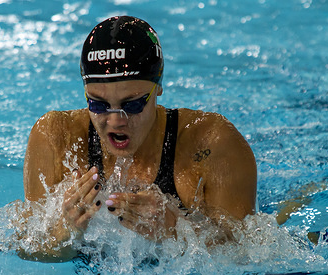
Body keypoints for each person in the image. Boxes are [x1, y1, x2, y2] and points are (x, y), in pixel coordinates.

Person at [22, 16, 257, 261]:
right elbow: (27, 249)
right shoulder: (55, 137)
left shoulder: (213, 144)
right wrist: (65, 231)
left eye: (132, 104)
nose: (115, 122)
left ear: (159, 85)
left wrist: (178, 232)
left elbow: (250, 256)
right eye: (98, 104)